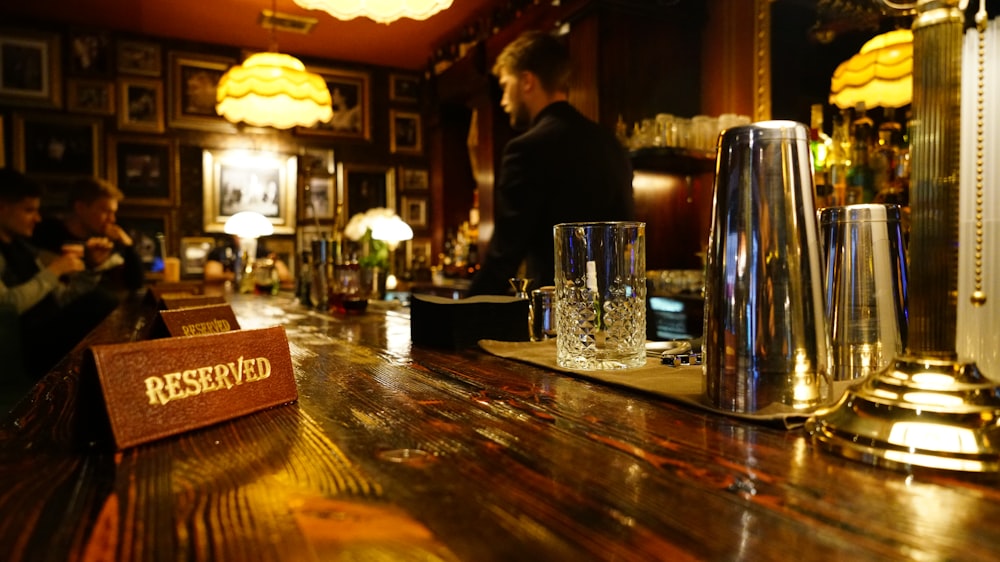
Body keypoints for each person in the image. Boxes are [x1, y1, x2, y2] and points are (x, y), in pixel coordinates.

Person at [468, 30, 635, 295]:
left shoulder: (526, 148)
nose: (503, 101)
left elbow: (505, 256)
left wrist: (463, 315)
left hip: (558, 318)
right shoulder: (612, 145)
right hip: (617, 308)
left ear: (526, 81)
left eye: (504, 86)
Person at [0, 168, 118, 380]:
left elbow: (61, 298)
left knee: (106, 302)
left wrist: (91, 268)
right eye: (28, 210)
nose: (37, 218)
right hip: (21, 349)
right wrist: (54, 271)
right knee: (102, 301)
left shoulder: (23, 249)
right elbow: (5, 305)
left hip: (43, 335)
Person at [32, 177, 145, 298]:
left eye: (114, 212)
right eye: (106, 211)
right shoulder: (46, 235)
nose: (112, 219)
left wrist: (129, 247)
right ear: (80, 208)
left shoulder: (107, 241)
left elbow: (136, 284)